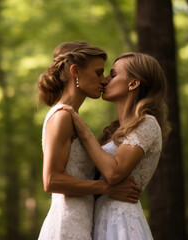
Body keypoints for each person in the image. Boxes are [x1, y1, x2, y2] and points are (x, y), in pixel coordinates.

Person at [60, 52, 171, 239]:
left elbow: (114, 173)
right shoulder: (114, 131)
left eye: (112, 74)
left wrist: (82, 128)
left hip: (122, 223)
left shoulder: (148, 124)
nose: (105, 80)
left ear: (133, 83)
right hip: (97, 220)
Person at [37, 42, 142, 240]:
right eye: (99, 73)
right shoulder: (61, 117)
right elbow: (51, 180)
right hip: (66, 226)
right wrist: (107, 188)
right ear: (75, 71)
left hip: (82, 223)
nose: (104, 81)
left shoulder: (73, 118)